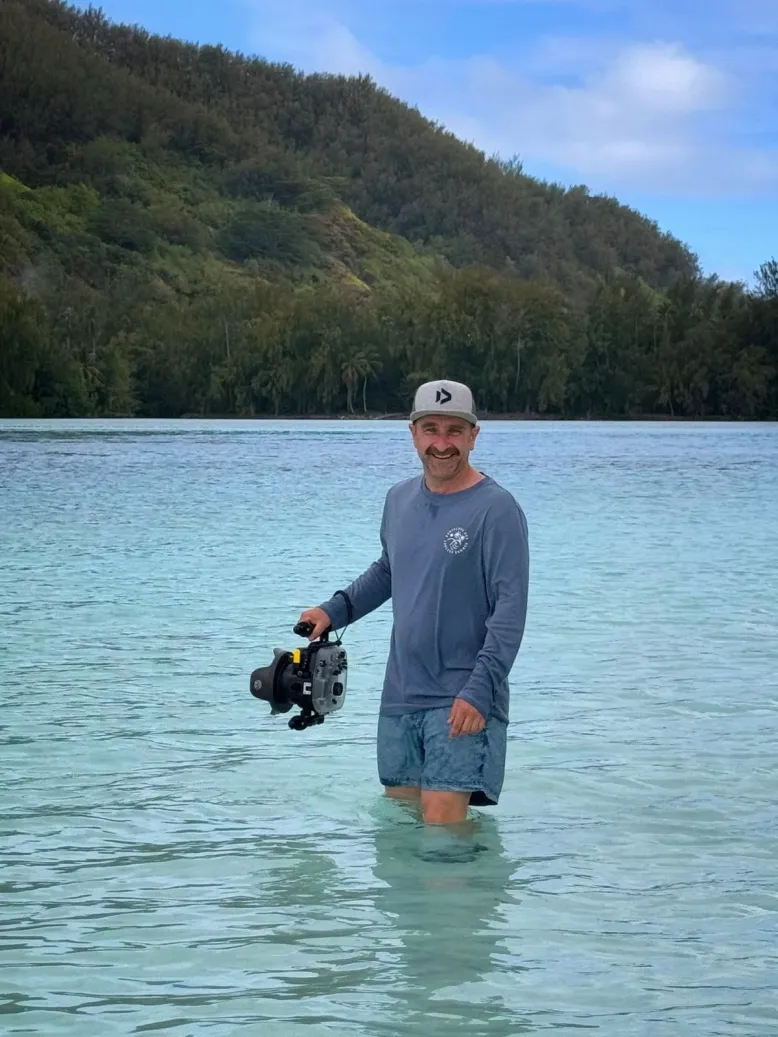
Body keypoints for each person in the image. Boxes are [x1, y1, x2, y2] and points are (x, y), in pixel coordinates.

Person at [298, 379, 530, 825]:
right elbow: (390, 570)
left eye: (454, 431)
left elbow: (510, 612)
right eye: (431, 429)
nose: (441, 444)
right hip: (401, 696)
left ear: (473, 435)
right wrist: (334, 610)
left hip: (462, 697)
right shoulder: (398, 498)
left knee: (444, 838)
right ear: (413, 433)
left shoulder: (497, 510)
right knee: (402, 836)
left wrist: (479, 692)